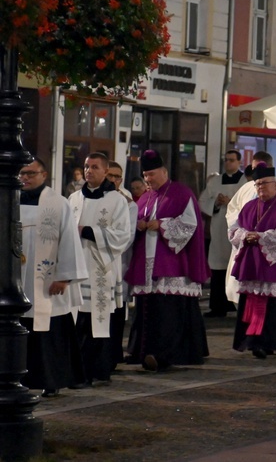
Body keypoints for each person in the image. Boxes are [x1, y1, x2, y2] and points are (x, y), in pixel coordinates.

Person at [125, 150, 210, 371]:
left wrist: (161, 225)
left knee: (168, 312)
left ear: (163, 172)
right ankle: (141, 352)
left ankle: (165, 354)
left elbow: (190, 224)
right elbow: (137, 221)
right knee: (146, 310)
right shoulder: (145, 197)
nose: (148, 180)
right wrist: (140, 224)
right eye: (145, 175)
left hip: (172, 264)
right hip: (147, 263)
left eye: (151, 174)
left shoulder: (182, 193)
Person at [19, 159, 89, 397]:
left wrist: (64, 276)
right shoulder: (9, 199)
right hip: (17, 279)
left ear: (44, 174)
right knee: (21, 328)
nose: (25, 178)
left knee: (49, 331)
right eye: (21, 173)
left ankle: (52, 379)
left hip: (48, 280)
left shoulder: (58, 203)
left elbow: (69, 240)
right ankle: (21, 378)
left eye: (30, 173)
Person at [68, 153, 132, 385]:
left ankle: (94, 371)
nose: (89, 171)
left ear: (105, 172)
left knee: (97, 323)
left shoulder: (117, 200)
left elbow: (123, 236)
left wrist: (88, 231)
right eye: (86, 167)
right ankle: (75, 371)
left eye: (94, 167)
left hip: (100, 267)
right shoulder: (74, 198)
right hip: (75, 268)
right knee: (77, 322)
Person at [228, 165, 276, 359]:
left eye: (265, 183)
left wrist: (261, 238)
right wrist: (245, 236)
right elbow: (233, 230)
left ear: (275, 183)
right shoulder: (248, 207)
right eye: (258, 184)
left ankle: (273, 342)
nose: (261, 187)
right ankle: (253, 342)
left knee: (274, 307)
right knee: (253, 301)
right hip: (252, 263)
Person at [199, 150, 247, 317]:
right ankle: (218, 306)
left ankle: (235, 304)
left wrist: (231, 202)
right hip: (219, 229)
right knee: (218, 266)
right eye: (226, 160)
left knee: (234, 265)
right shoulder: (215, 181)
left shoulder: (245, 182)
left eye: (232, 160)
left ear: (239, 162)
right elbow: (203, 201)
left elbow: (250, 204)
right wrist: (216, 203)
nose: (228, 163)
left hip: (238, 227)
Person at [106, 160, 138, 371]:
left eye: (118, 177)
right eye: (111, 176)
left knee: (116, 312)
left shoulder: (128, 203)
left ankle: (113, 353)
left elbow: (128, 237)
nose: (114, 181)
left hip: (118, 263)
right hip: (91, 263)